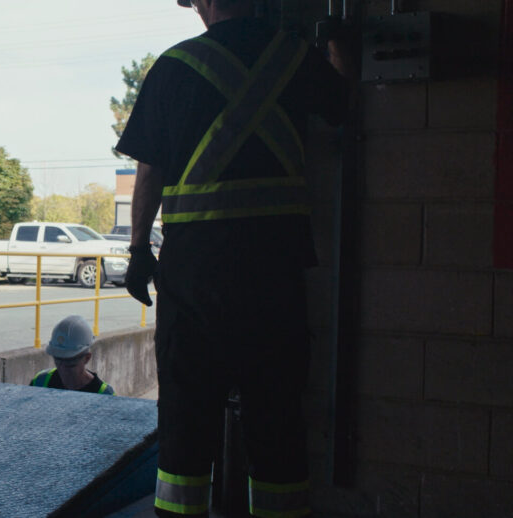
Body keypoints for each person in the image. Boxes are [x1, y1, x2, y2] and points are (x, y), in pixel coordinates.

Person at [116, 0, 351, 516]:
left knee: (186, 420)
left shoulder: (174, 66)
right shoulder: (293, 59)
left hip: (193, 280)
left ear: (203, 3)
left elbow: (149, 172)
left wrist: (138, 251)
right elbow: (342, 102)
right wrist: (337, 39)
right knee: (277, 420)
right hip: (274, 279)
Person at [29, 315, 115, 395]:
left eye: (70, 364)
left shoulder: (104, 395)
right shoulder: (40, 382)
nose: (62, 370)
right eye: (58, 360)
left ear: (87, 358)